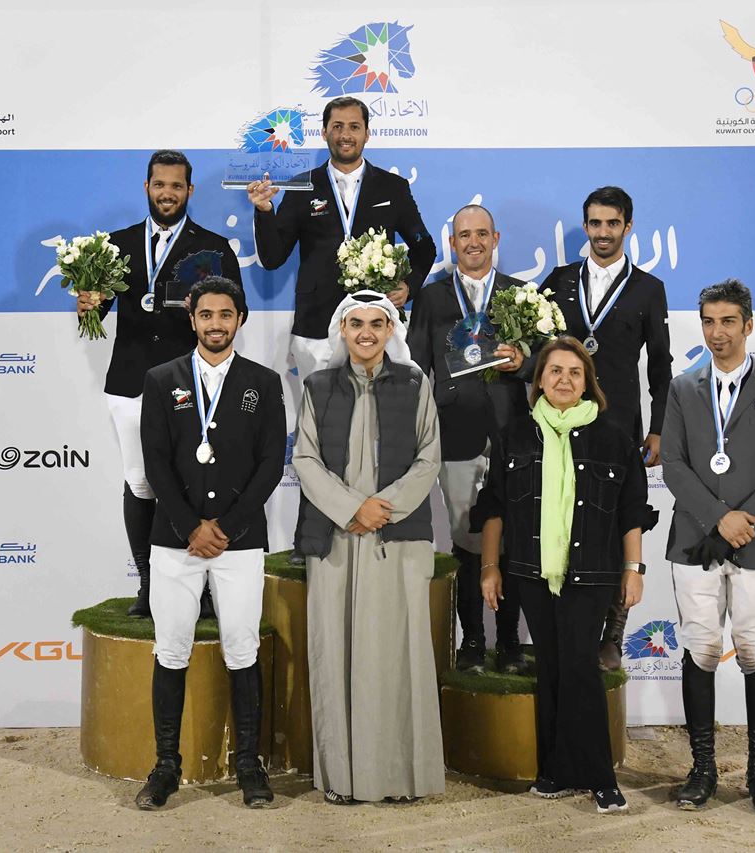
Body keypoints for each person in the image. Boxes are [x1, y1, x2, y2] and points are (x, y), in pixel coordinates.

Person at [249, 96, 437, 564]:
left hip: (376, 328)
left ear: (367, 133)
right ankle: (309, 535)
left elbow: (425, 246)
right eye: (337, 126)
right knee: (318, 436)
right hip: (316, 329)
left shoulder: (392, 186)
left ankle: (388, 525)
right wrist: (264, 211)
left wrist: (407, 286)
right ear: (325, 132)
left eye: (354, 126)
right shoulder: (301, 186)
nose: (346, 134)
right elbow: (272, 257)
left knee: (382, 430)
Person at [475, 335, 653, 813]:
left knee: (579, 665)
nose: (564, 380)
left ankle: (600, 777)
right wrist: (490, 567)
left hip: (593, 573)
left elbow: (632, 510)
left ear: (588, 383)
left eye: (575, 373)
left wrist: (633, 569)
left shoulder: (614, 437)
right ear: (539, 380)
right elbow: (493, 508)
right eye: (555, 371)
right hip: (531, 573)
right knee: (551, 668)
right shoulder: (514, 434)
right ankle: (554, 771)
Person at [134, 276, 286, 810]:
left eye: (226, 314)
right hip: (175, 541)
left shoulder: (263, 383)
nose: (216, 324)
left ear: (239, 319)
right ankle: (165, 767)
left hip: (238, 542)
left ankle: (249, 765)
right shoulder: (161, 380)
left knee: (242, 648)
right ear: (192, 319)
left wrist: (226, 527)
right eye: (206, 315)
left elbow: (271, 464)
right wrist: (189, 527)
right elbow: (155, 461)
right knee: (171, 648)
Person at [292, 290, 444, 804]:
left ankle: (401, 777)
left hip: (394, 537)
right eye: (356, 323)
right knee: (336, 651)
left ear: (390, 331)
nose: (366, 333)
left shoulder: (415, 383)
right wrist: (351, 507)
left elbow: (429, 458)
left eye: (377, 324)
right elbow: (306, 459)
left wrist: (384, 506)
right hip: (337, 537)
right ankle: (341, 778)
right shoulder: (317, 386)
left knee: (399, 654)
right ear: (341, 330)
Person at [78, 150, 243, 619]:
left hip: (193, 382)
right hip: (129, 382)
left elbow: (233, 314)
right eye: (159, 185)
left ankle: (204, 588)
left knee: (199, 485)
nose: (167, 193)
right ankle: (148, 586)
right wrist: (87, 304)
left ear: (190, 191)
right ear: (146, 188)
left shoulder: (213, 247)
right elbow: (97, 310)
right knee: (141, 482)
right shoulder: (114, 245)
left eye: (176, 186)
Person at [660, 279, 755, 815]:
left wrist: (745, 520)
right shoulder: (682, 387)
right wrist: (719, 518)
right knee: (699, 649)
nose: (717, 333)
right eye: (708, 322)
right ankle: (701, 770)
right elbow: (673, 464)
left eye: (727, 322)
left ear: (748, 325)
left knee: (753, 651)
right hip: (697, 538)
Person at [538, 186, 672, 670]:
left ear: (628, 227)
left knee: (619, 523)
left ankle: (613, 633)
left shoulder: (648, 289)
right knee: (563, 519)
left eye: (612, 224)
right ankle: (563, 623)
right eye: (594, 224)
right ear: (586, 226)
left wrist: (657, 429)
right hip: (561, 426)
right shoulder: (557, 280)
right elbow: (536, 350)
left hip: (618, 426)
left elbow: (661, 366)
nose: (602, 233)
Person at [406, 204, 529, 673]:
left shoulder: (521, 295)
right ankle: (473, 642)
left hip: (513, 434)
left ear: (495, 238)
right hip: (455, 433)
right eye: (464, 235)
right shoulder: (433, 297)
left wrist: (525, 362)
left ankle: (512, 644)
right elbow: (417, 367)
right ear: (451, 243)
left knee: (513, 539)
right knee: (465, 539)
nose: (473, 242)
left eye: (481, 233)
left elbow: (547, 360)